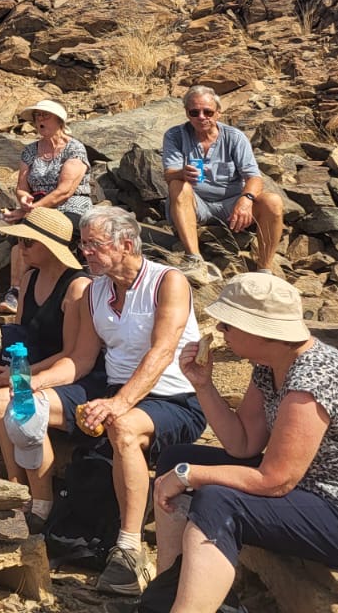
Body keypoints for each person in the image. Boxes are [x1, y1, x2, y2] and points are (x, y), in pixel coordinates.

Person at [16, 207, 205, 596]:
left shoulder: (167, 282)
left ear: (126, 244)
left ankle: (130, 546)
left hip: (174, 396)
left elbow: (163, 351)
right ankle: (39, 508)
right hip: (120, 392)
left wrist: (119, 402)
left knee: (122, 425)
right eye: (83, 244)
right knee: (20, 406)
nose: (85, 252)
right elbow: (82, 359)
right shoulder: (94, 290)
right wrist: (32, 383)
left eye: (94, 245)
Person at [150, 273, 338, 612]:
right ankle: (166, 598)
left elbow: (274, 481)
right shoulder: (270, 366)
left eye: (229, 325)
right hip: (308, 489)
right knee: (176, 457)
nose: (220, 331)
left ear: (260, 331)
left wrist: (191, 475)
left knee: (219, 502)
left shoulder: (313, 380)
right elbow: (243, 445)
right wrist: (203, 386)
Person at [0, 205, 89, 479]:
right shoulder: (30, 278)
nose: (21, 248)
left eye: (28, 241)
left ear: (50, 246)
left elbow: (70, 352)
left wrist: (18, 374)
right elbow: (19, 331)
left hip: (58, 372)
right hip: (25, 363)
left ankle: (14, 481)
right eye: (19, 240)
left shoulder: (77, 287)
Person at [162, 84, 284, 282]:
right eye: (195, 112)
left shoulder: (234, 137)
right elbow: (168, 175)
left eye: (208, 112)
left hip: (231, 202)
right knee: (178, 185)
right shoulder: (175, 136)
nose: (201, 117)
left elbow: (254, 176)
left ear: (218, 113)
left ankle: (264, 271)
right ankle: (194, 259)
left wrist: (246, 199)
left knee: (273, 202)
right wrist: (182, 172)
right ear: (187, 113)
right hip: (197, 202)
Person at [0, 98, 91, 315]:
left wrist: (30, 210)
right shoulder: (30, 151)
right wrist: (23, 200)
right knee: (23, 234)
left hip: (71, 205)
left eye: (45, 115)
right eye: (37, 116)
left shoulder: (74, 148)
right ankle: (16, 292)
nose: (40, 120)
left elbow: (65, 190)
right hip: (37, 206)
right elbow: (22, 186)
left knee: (38, 227)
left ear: (59, 120)